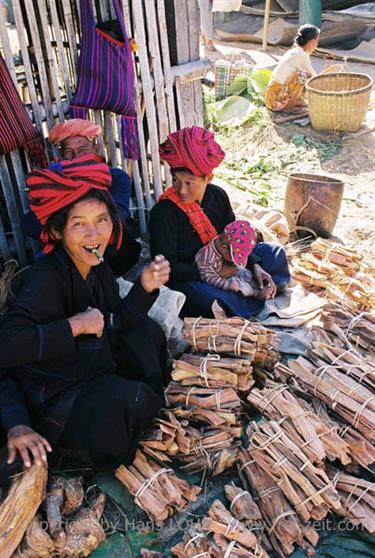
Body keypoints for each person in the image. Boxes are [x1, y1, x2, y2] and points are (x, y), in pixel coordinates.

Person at [0, 154, 170, 488]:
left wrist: (145, 288)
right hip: (57, 397)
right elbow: (5, 346)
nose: (94, 234)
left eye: (102, 220)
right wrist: (74, 326)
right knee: (131, 403)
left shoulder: (99, 268)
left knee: (148, 334)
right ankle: (79, 452)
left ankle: (135, 404)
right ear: (57, 231)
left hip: (91, 368)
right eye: (79, 223)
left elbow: (114, 321)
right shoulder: (43, 280)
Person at [149, 126, 290, 318]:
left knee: (274, 252)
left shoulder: (218, 196)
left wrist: (255, 266)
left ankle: (262, 289)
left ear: (208, 178)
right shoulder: (163, 213)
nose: (181, 190)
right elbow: (167, 267)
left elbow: (234, 240)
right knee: (204, 297)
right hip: (194, 275)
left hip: (229, 262)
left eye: (189, 182)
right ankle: (252, 299)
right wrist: (214, 273)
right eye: (175, 180)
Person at [23, 118, 140, 276]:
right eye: (69, 152)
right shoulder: (52, 181)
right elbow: (31, 224)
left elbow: (117, 215)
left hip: (109, 251)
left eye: (82, 149)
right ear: (61, 155)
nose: (76, 156)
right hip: (70, 252)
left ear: (95, 148)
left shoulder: (116, 178)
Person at [195, 220, 270, 298]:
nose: (234, 259)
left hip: (225, 267)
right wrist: (226, 285)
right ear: (223, 248)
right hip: (219, 277)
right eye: (233, 256)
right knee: (238, 284)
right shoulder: (207, 258)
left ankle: (259, 285)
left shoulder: (222, 245)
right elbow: (208, 277)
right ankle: (257, 293)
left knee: (245, 272)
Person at [265, 24, 320, 112]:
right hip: (275, 101)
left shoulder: (293, 51)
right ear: (312, 42)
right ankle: (288, 105)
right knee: (304, 75)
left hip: (270, 97)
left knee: (301, 74)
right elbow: (315, 78)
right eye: (317, 41)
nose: (316, 45)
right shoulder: (302, 56)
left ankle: (293, 100)